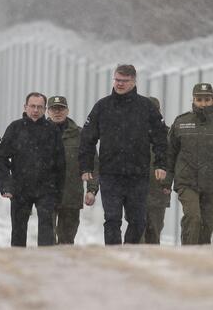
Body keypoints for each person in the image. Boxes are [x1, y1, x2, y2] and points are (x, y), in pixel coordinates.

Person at [79, 64, 168, 245]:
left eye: (124, 81)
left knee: (138, 221)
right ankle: (113, 254)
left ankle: (129, 251)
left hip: (138, 175)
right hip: (110, 174)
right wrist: (86, 166)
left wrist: (161, 164)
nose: (119, 84)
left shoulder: (146, 107)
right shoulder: (102, 106)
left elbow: (161, 137)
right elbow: (88, 138)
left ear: (133, 82)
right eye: (117, 80)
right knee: (112, 219)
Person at [169, 83, 213, 245]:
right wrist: (166, 182)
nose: (203, 103)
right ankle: (188, 254)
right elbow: (170, 154)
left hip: (212, 183)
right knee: (193, 217)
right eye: (199, 99)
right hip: (187, 182)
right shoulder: (181, 122)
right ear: (193, 100)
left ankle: (200, 258)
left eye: (207, 99)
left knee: (206, 226)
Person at [0, 92, 66, 247]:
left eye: (39, 107)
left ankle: (45, 261)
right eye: (32, 106)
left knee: (47, 229)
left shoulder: (52, 130)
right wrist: (6, 184)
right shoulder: (15, 128)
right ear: (25, 107)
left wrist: (59, 192)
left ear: (45, 109)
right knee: (18, 230)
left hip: (46, 189)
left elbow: (61, 164)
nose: (35, 110)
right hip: (20, 188)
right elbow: (0, 157)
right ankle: (18, 262)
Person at [46, 95, 99, 245]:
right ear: (47, 111)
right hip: (45, 194)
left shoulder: (81, 135)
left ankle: (64, 267)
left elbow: (93, 164)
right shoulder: (38, 132)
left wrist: (92, 189)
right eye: (53, 109)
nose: (57, 112)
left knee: (67, 240)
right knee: (46, 239)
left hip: (71, 194)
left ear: (67, 110)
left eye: (61, 109)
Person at [141, 96, 172, 244]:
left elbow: (174, 161)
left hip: (158, 190)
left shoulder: (168, 135)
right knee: (137, 231)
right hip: (136, 190)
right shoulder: (131, 133)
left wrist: (168, 182)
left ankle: (150, 263)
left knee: (154, 231)